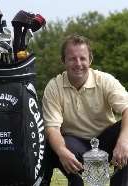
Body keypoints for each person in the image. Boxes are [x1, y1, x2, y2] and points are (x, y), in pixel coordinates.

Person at [41, 34, 128, 186]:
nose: (78, 63)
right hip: (74, 145)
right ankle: (67, 181)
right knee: (52, 143)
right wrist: (61, 151)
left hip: (105, 142)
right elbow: (52, 128)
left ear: (90, 60)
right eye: (72, 59)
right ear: (63, 61)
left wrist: (124, 141)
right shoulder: (54, 86)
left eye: (82, 58)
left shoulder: (105, 80)